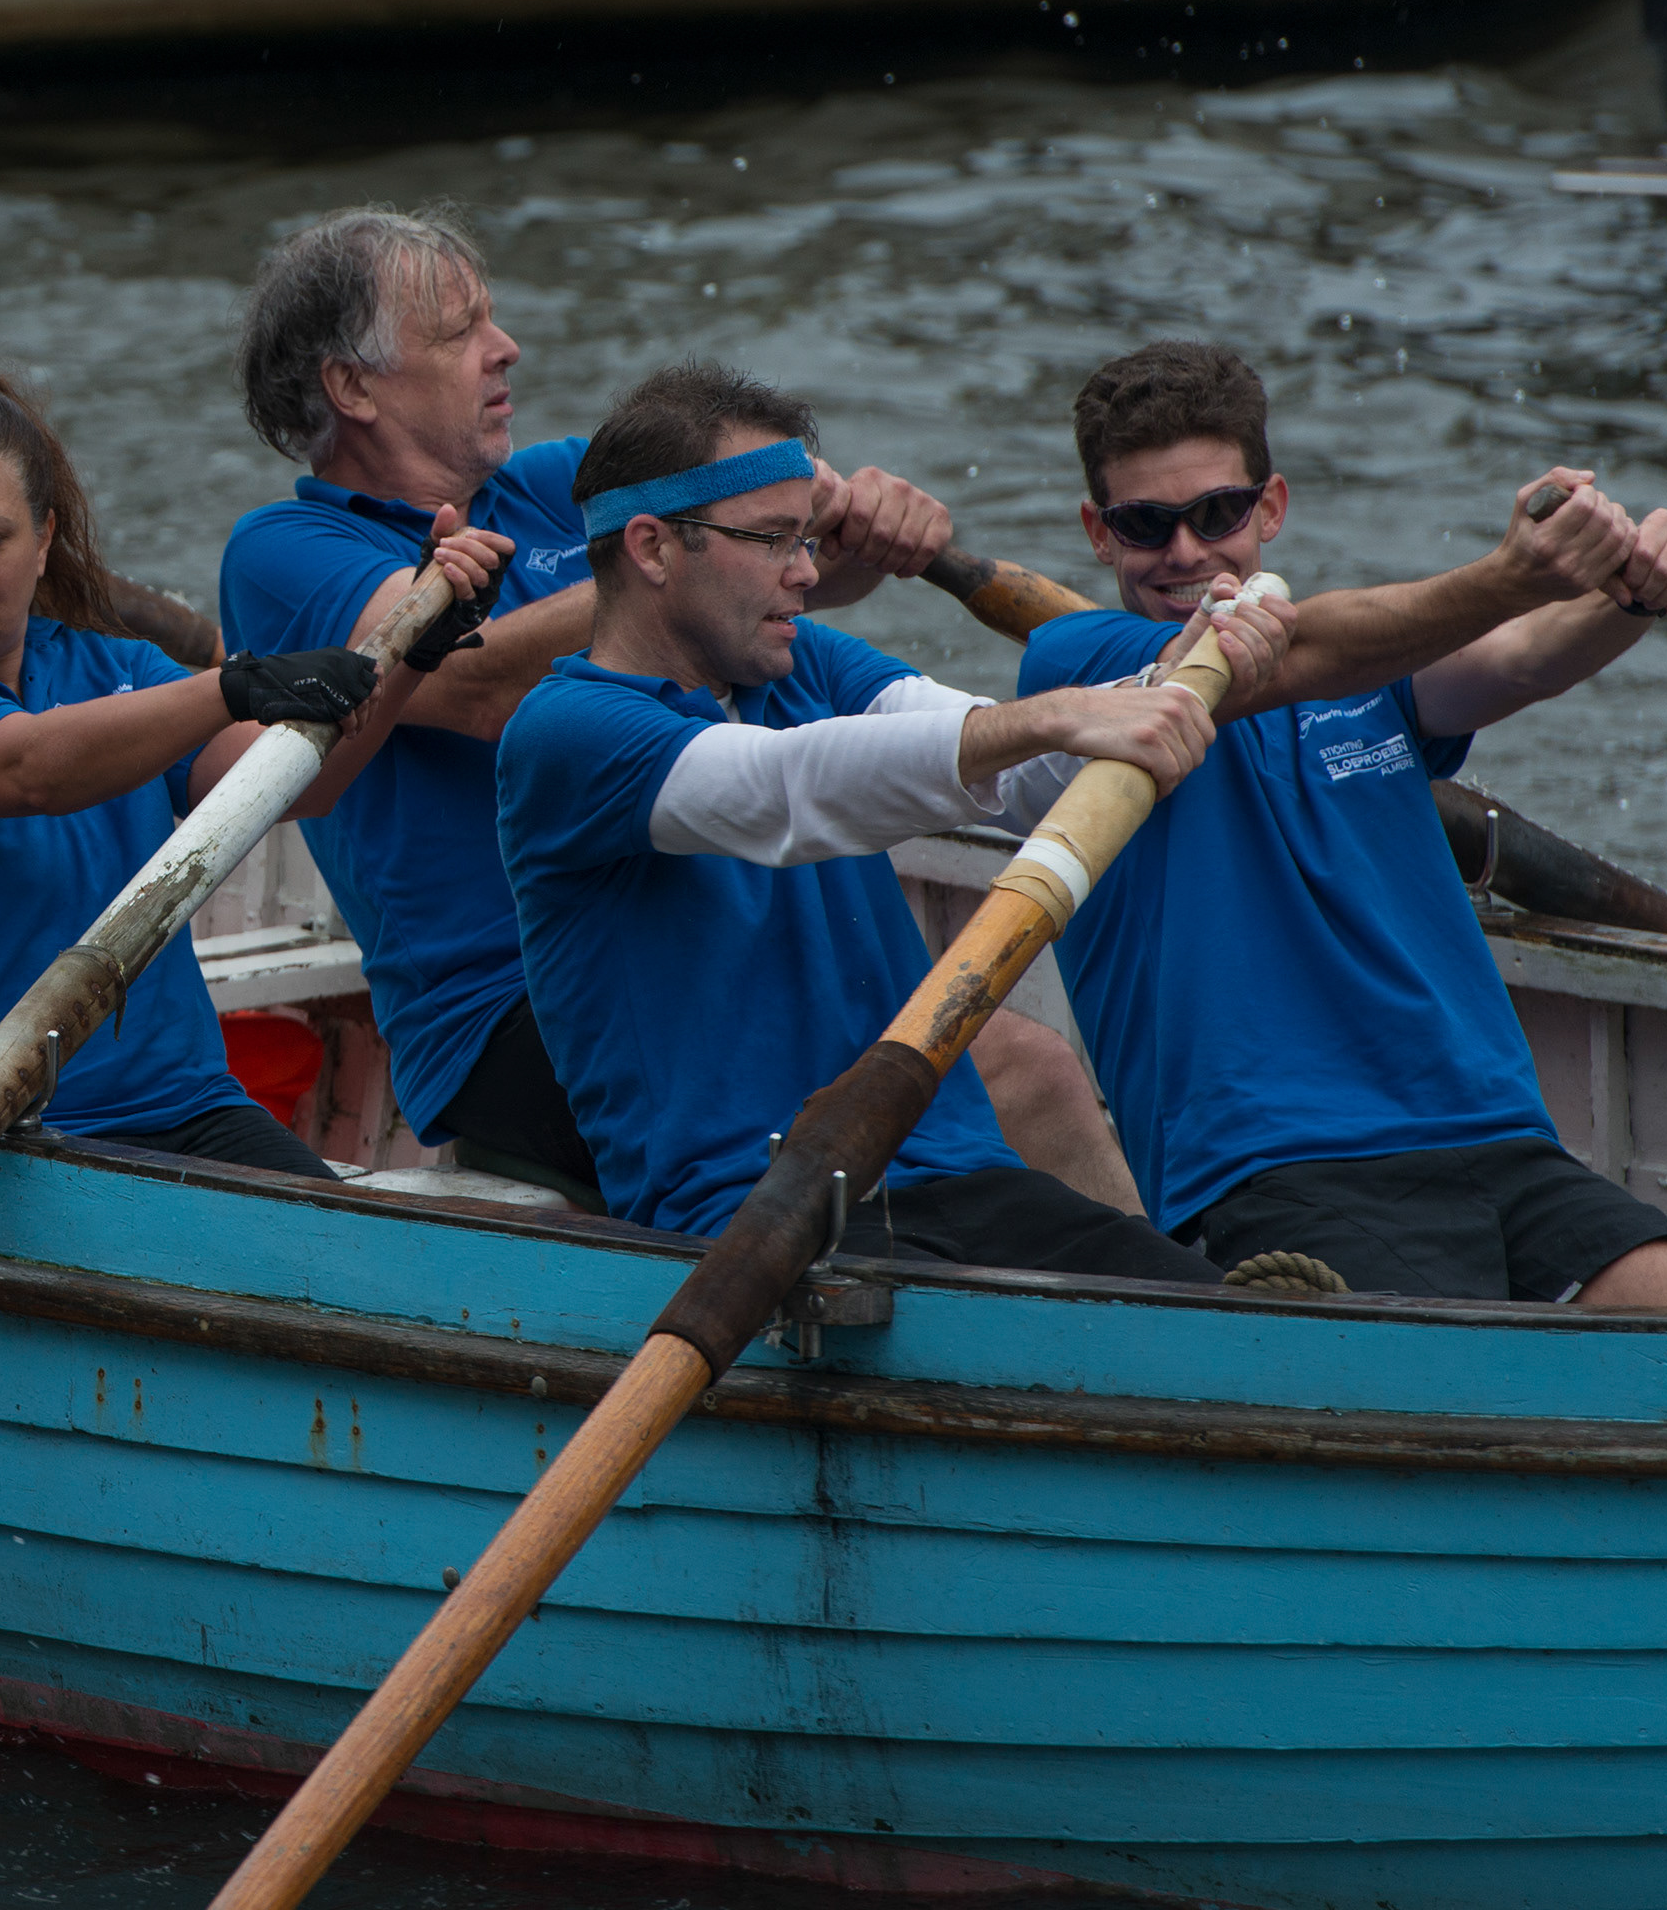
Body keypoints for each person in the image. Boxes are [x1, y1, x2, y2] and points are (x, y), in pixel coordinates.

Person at [219, 207, 1130, 1209]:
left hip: (706, 921)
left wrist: (843, 532)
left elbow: (769, 593)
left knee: (1036, 1068)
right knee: (985, 1073)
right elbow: (465, 681)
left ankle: (1154, 1282)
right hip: (511, 1007)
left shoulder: (557, 482)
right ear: (352, 388)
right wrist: (703, 541)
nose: (505, 347)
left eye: (492, 319)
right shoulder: (284, 550)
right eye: (459, 331)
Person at [1018, 341, 1667, 1306]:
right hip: (1282, 1169)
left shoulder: (1371, 671)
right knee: (1467, 1380)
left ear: (1270, 508)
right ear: (1098, 533)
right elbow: (1317, 651)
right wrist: (1513, 573)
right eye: (1146, 524)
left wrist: (1641, 589)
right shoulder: (1073, 670)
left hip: (1499, 1137)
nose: (1187, 552)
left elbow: (1522, 659)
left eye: (1218, 513)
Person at [494, 363, 1262, 1280]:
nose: (807, 571)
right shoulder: (566, 733)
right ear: (653, 549)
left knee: (1225, 1317)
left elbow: (1018, 774)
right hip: (758, 1218)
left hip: (962, 1173)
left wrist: (1161, 684)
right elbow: (785, 791)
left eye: (806, 536)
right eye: (773, 539)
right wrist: (1061, 712)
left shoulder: (806, 662)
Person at [0, 364, 501, 1178]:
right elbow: (31, 767)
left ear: (43, 540)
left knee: (349, 1245)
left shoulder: (119, 670)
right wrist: (233, 686)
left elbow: (302, 784)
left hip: (184, 1109)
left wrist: (416, 655)